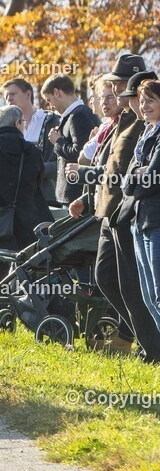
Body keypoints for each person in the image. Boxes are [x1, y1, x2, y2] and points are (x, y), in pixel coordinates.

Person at [69, 57, 160, 356]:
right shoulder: (121, 121)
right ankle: (144, 338)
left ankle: (150, 345)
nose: (117, 89)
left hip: (131, 210)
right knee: (108, 278)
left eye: (122, 84)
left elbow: (138, 172)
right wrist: (88, 194)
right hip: (111, 209)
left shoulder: (143, 121)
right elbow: (114, 166)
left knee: (136, 286)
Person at [0, 105, 53, 303]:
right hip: (28, 224)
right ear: (17, 123)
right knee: (28, 271)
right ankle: (28, 308)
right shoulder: (31, 151)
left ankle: (1, 314)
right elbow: (38, 179)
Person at [123, 79, 160, 334]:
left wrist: (139, 174)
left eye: (151, 100)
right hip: (139, 220)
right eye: (142, 100)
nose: (144, 106)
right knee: (148, 297)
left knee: (159, 294)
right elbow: (126, 184)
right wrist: (139, 172)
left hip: (156, 221)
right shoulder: (145, 134)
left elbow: (151, 178)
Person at [43, 73, 100, 205]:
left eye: (49, 100)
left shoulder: (78, 115)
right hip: (74, 195)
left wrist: (58, 141)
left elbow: (80, 154)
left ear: (57, 92)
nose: (50, 106)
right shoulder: (79, 113)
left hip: (76, 195)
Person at [3, 76, 61, 203]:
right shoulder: (5, 127)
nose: (9, 99)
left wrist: (33, 169)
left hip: (45, 198)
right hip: (15, 199)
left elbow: (59, 162)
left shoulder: (51, 121)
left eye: (13, 94)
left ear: (28, 94)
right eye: (6, 96)